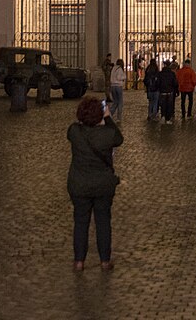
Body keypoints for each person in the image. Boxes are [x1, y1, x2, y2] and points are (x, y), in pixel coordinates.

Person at [67, 96, 123, 272]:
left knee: (81, 222)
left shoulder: (74, 132)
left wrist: (85, 118)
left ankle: (79, 261)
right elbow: (119, 138)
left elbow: (76, 125)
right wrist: (107, 117)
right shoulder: (107, 134)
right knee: (103, 221)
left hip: (80, 184)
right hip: (102, 185)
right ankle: (105, 261)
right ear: (100, 115)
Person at [158, 58, 178, 124]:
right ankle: (168, 119)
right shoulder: (172, 74)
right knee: (169, 105)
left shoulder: (160, 73)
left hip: (162, 91)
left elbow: (158, 82)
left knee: (163, 105)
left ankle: (163, 116)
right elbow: (175, 83)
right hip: (170, 91)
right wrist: (176, 90)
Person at [109, 58, 126, 123]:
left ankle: (110, 114)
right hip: (118, 86)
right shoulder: (120, 69)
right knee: (120, 102)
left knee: (115, 102)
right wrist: (124, 76)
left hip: (113, 86)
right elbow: (119, 77)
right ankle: (119, 117)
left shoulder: (113, 68)